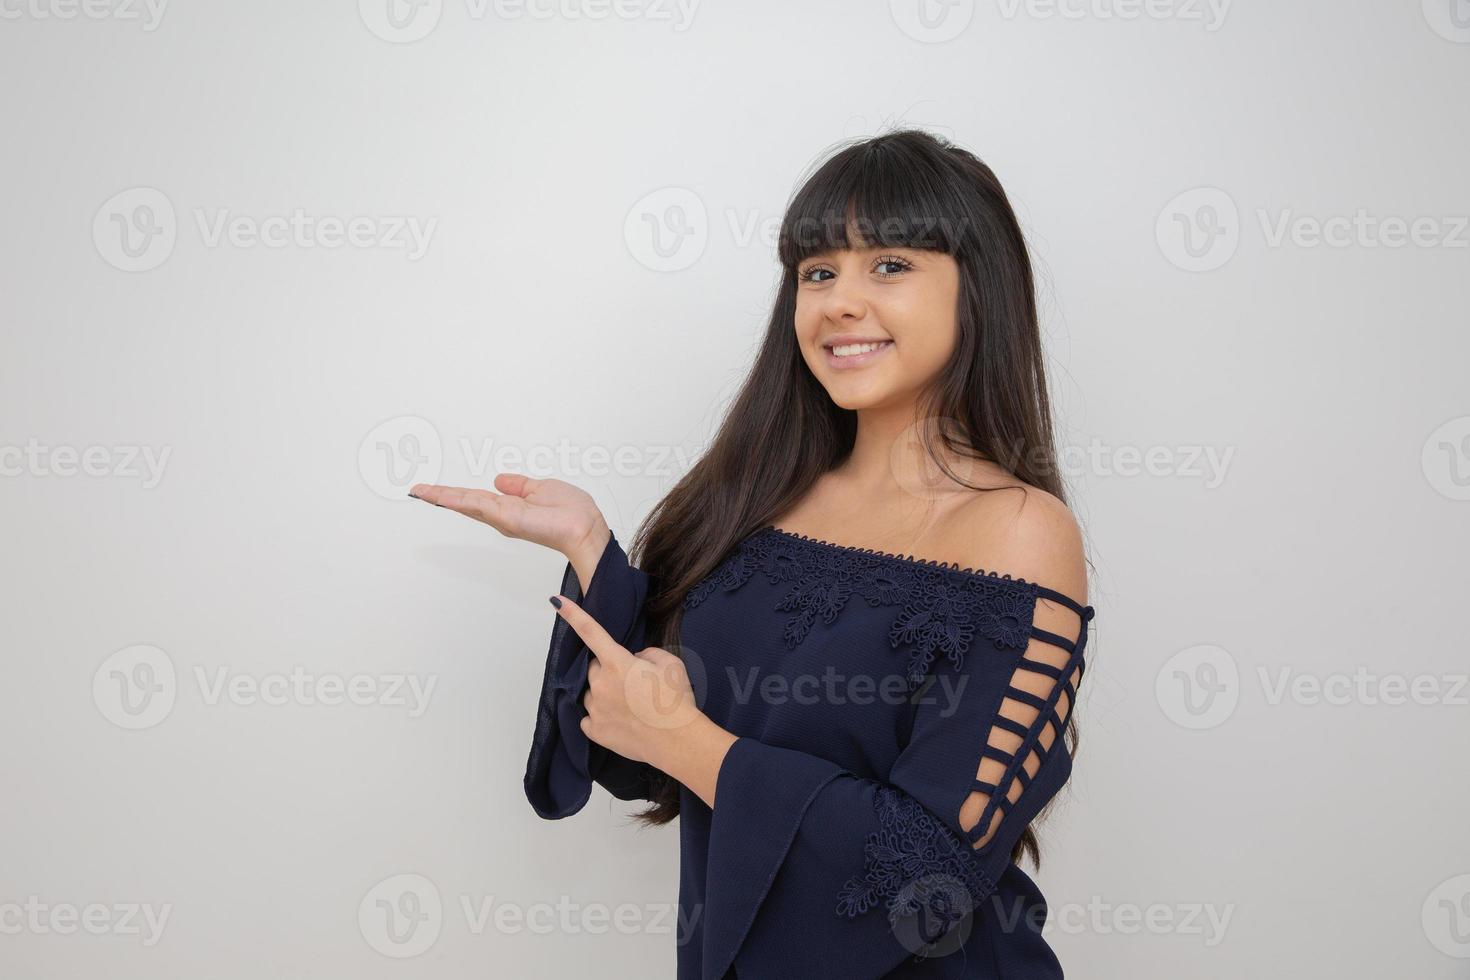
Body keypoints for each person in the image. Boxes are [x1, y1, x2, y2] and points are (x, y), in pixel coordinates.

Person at [411, 127, 1097, 979]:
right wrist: (593, 552)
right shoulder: (761, 500)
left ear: (977, 290)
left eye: (889, 265)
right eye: (817, 273)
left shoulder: (1019, 530)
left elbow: (927, 877)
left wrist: (688, 740)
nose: (839, 302)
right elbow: (640, 757)